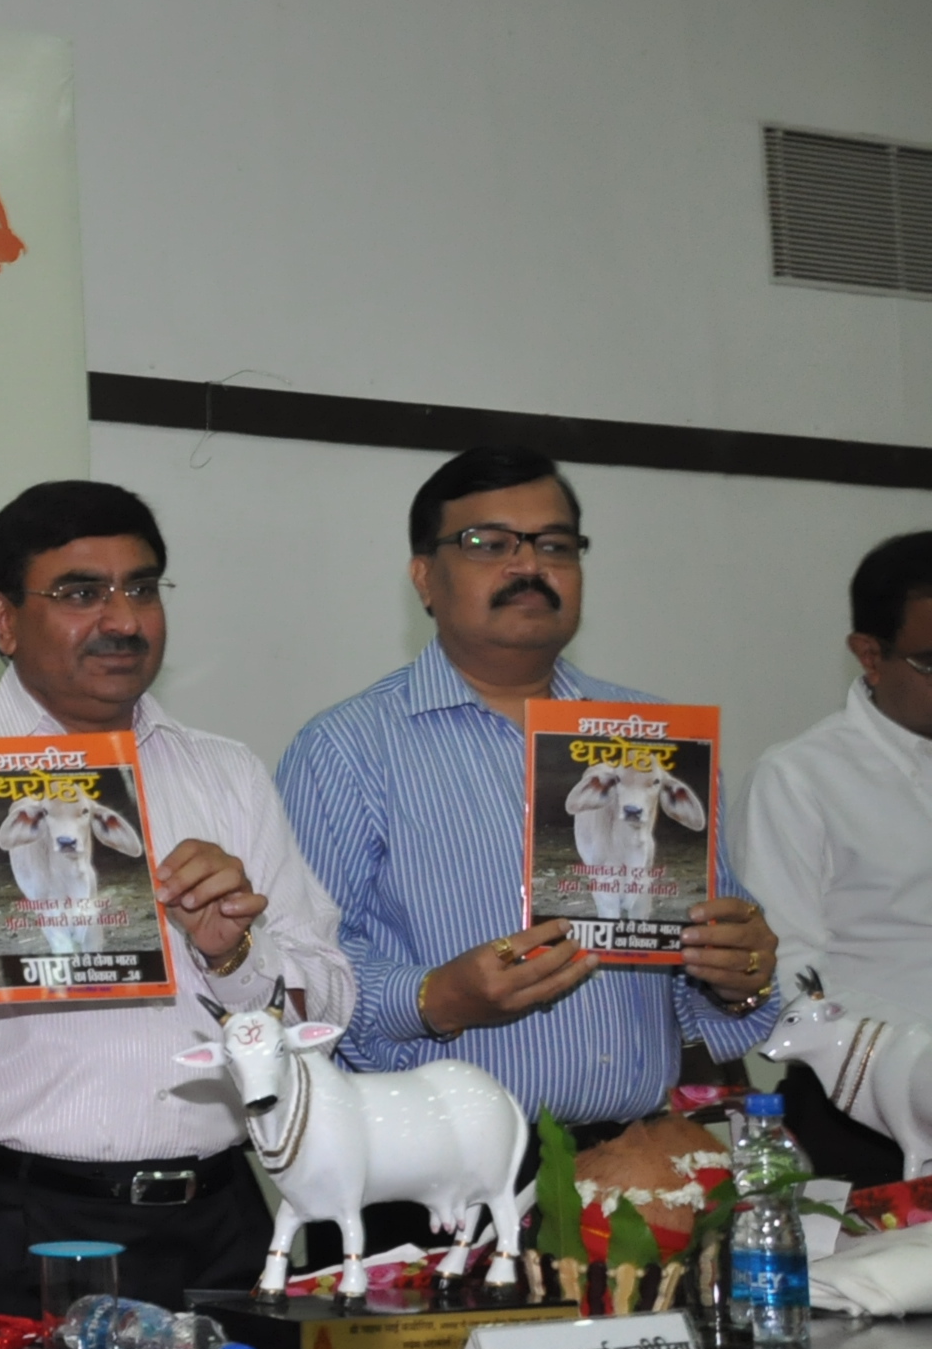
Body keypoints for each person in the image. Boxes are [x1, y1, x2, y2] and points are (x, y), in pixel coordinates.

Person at [0, 481, 354, 1328]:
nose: (123, 619)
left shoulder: (225, 776)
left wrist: (234, 960)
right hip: (0, 1228)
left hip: (218, 1222)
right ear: (3, 620)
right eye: (81, 593)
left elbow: (333, 1010)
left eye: (142, 588)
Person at [277, 447, 779, 1178]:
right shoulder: (346, 748)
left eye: (554, 545)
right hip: (426, 1173)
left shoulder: (655, 737)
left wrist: (742, 974)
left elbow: (704, 984)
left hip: (629, 1159)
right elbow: (297, 972)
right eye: (488, 544)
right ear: (425, 578)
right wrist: (433, 999)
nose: (528, 566)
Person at [738, 530, 932, 1186]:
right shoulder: (802, 776)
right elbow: (787, 969)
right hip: (860, 1115)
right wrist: (915, 1061)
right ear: (869, 655)